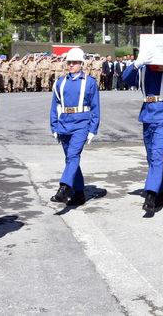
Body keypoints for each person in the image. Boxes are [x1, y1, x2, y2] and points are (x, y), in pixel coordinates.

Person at [122, 49, 163, 215]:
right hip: (148, 112)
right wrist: (136, 63)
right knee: (150, 156)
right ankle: (161, 190)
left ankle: (151, 194)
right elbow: (126, 79)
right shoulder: (143, 67)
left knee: (157, 154)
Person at [49, 47, 100, 206]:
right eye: (69, 62)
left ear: (81, 63)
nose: (71, 65)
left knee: (72, 156)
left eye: (75, 62)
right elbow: (55, 106)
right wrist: (54, 127)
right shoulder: (60, 82)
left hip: (81, 123)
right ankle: (79, 193)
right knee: (71, 159)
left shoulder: (90, 82)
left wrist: (92, 129)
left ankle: (63, 188)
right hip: (64, 123)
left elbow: (95, 107)